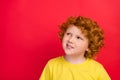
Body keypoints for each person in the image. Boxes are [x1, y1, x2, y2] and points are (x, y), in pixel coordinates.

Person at [39, 16, 111, 80]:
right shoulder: (52, 65)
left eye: (78, 37)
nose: (70, 40)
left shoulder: (97, 69)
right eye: (68, 34)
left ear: (89, 46)